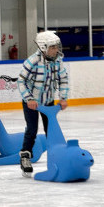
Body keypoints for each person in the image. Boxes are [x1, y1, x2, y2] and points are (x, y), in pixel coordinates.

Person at [17, 30, 69, 176]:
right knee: (32, 129)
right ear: (43, 47)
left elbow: (63, 79)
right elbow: (21, 81)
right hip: (32, 101)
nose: (56, 50)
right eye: (52, 47)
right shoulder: (32, 61)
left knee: (51, 130)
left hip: (48, 100)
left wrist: (63, 97)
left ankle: (57, 157)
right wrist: (29, 99)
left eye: (57, 47)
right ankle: (25, 156)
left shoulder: (58, 60)